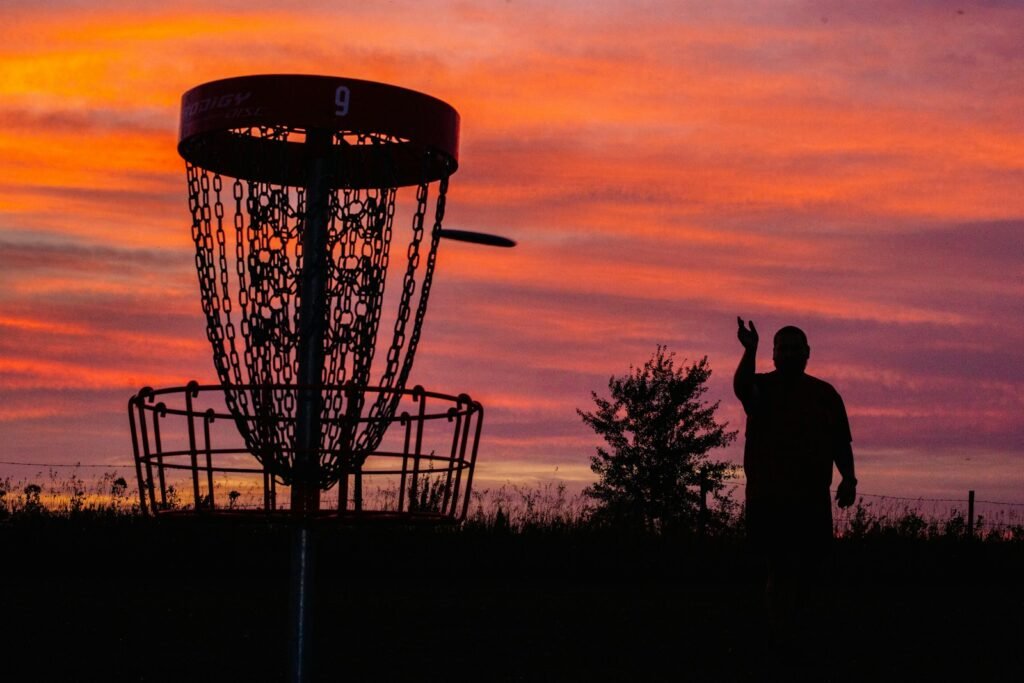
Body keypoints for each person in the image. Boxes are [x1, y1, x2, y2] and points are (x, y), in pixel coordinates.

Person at [733, 318, 856, 607]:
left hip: (811, 499)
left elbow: (840, 441)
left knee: (810, 568)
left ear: (807, 352)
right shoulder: (761, 387)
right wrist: (749, 351)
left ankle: (802, 630)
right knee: (777, 567)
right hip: (768, 497)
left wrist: (849, 478)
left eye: (795, 348)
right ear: (773, 354)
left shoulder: (826, 395)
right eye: (783, 349)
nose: (789, 354)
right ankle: (778, 632)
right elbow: (741, 388)